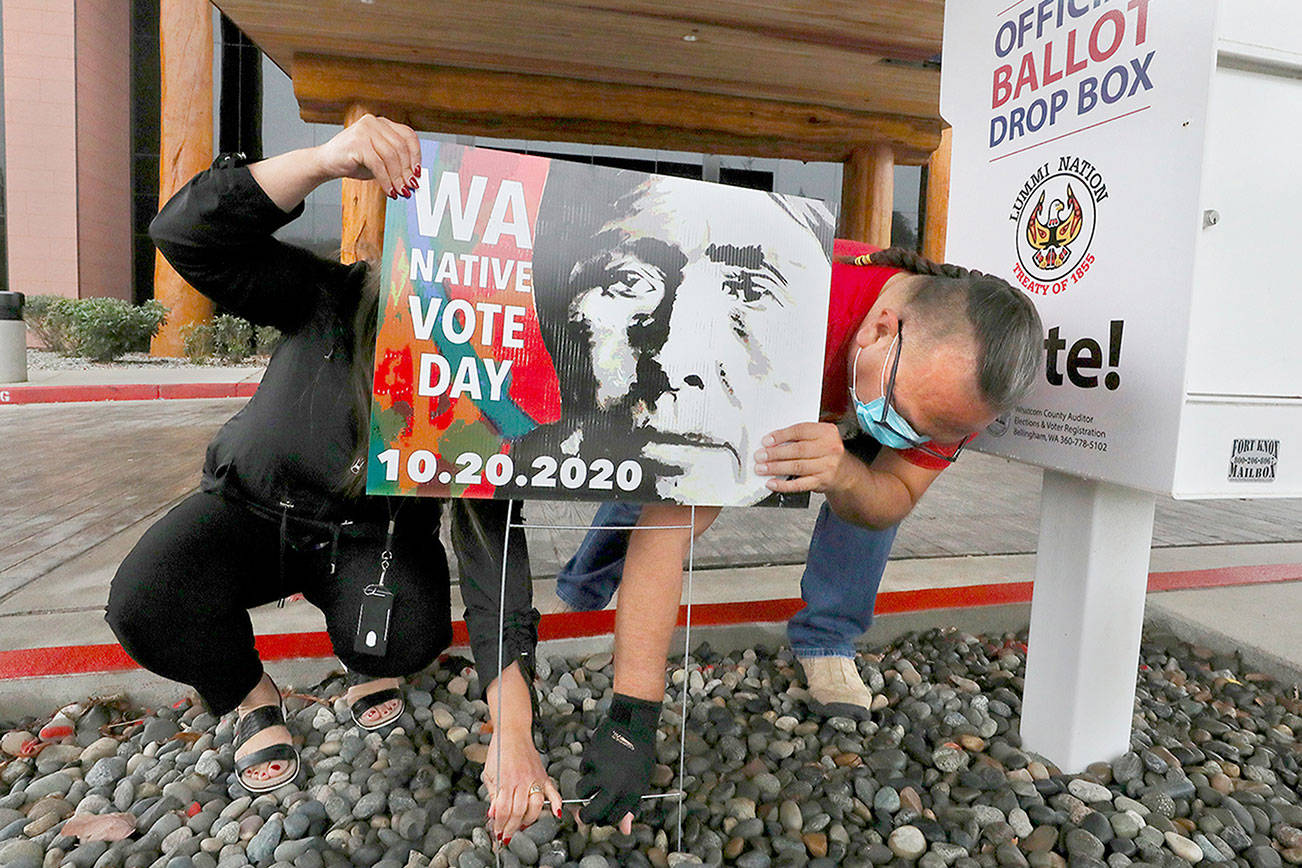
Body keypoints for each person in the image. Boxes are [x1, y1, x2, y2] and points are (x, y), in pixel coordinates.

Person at [106, 115, 558, 842]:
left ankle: (363, 659)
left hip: (371, 544)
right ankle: (248, 692)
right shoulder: (331, 293)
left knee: (407, 637)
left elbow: (492, 552)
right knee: (145, 601)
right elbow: (184, 234)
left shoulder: (488, 378)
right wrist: (322, 160)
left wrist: (515, 729)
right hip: (251, 511)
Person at [565, 241, 1044, 829]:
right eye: (899, 414)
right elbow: (674, 526)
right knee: (657, 477)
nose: (902, 436)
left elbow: (893, 498)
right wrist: (633, 717)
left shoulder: (946, 390)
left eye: (921, 434)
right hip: (775, 353)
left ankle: (828, 639)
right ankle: (583, 585)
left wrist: (845, 470)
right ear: (878, 329)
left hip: (854, 375)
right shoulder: (777, 303)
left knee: (866, 486)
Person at [519, 169, 834, 505]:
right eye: (630, 281)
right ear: (561, 312)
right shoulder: (506, 464)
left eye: (749, 289)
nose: (675, 362)